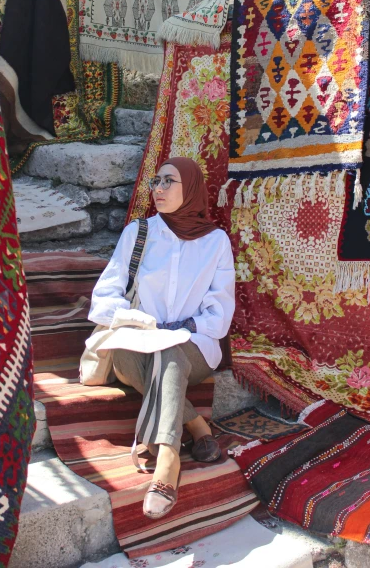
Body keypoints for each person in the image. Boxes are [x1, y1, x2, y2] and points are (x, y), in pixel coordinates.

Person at [88, 156, 235, 519]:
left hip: (193, 346)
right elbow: (103, 298)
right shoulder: (138, 233)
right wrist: (137, 321)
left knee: (170, 353)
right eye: (156, 181)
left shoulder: (215, 242)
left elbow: (219, 316)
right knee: (135, 354)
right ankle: (196, 425)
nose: (158, 188)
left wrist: (177, 331)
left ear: (191, 188)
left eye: (169, 181)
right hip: (136, 342)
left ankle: (167, 459)